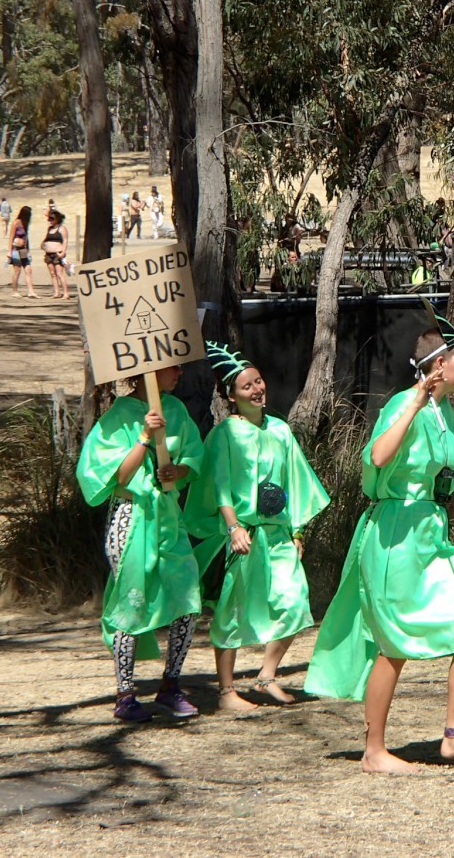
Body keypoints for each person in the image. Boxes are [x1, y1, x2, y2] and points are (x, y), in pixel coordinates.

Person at [305, 300, 454, 774]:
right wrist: (415, 402)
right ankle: (374, 751)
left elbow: (452, 448)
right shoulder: (409, 403)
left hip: (430, 534)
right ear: (439, 365)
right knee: (394, 646)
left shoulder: (441, 412)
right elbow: (378, 457)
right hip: (394, 536)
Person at [184, 343, 330, 712]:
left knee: (295, 602)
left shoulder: (280, 430)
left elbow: (296, 482)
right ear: (232, 396)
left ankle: (266, 676)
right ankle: (226, 691)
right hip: (244, 535)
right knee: (232, 610)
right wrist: (233, 527)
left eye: (259, 381)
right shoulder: (225, 434)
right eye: (248, 386)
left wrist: (297, 531)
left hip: (278, 534)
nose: (258, 389)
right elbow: (218, 483)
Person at [76, 364, 205, 722]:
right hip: (131, 518)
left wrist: (177, 471)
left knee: (188, 599)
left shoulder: (175, 410)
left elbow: (193, 458)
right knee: (130, 601)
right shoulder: (119, 415)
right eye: (171, 367)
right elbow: (116, 475)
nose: (179, 372)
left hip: (168, 517)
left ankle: (170, 685)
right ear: (148, 370)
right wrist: (145, 436)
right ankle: (125, 693)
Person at [7, 205, 37, 297]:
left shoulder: (26, 224)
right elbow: (11, 237)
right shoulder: (16, 223)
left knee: (28, 269)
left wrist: (28, 251)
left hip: (23, 250)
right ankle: (15, 291)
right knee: (17, 271)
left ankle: (31, 291)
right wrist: (9, 251)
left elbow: (26, 238)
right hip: (16, 250)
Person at [41, 208, 70, 299]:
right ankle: (57, 292)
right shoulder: (49, 229)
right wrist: (43, 244)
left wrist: (63, 252)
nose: (50, 220)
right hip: (49, 254)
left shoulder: (62, 229)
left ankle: (66, 293)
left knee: (59, 273)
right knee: (52, 274)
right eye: (49, 218)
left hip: (57, 254)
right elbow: (46, 239)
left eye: (52, 218)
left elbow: (65, 241)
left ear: (57, 219)